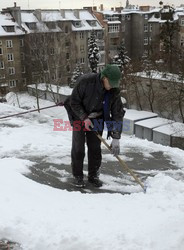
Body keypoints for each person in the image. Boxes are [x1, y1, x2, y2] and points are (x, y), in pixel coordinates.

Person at [64, 64, 125, 188]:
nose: (112, 86)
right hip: (79, 117)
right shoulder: (85, 82)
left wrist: (116, 137)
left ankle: (93, 177)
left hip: (97, 118)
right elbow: (74, 102)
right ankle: (78, 177)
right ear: (104, 78)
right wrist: (84, 118)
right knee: (78, 148)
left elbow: (117, 113)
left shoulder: (113, 91)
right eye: (111, 83)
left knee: (95, 149)